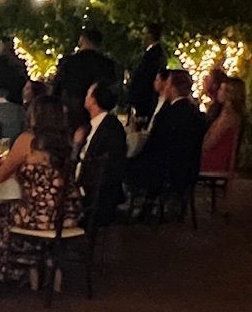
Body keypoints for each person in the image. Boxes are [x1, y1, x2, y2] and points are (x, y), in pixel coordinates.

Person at [0, 101, 82, 285]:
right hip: (67, 214)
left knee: (1, 211)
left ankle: (18, 269)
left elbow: (0, 176)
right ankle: (47, 266)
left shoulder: (27, 140)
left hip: (39, 215)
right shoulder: (66, 143)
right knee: (17, 207)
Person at [125, 67, 205, 203]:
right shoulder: (193, 112)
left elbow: (155, 143)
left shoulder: (170, 114)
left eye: (167, 83)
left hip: (166, 170)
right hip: (188, 169)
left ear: (173, 87)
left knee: (122, 165)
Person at [77, 80, 128, 221]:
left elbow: (108, 168)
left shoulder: (110, 129)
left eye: (88, 94)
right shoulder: (98, 125)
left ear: (93, 100)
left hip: (96, 197)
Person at [57, 26, 118, 124]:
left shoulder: (68, 62)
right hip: (97, 112)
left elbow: (57, 87)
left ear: (83, 40)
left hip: (72, 112)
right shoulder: (107, 64)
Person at [200, 75, 246, 177]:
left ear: (230, 94)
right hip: (218, 159)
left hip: (214, 161)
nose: (218, 92)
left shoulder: (227, 117)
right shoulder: (231, 115)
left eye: (222, 89)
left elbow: (209, 142)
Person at [127, 24, 168, 123]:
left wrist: (132, 82)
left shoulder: (153, 55)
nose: (142, 37)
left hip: (145, 103)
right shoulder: (153, 54)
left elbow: (145, 80)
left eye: (144, 33)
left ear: (150, 35)